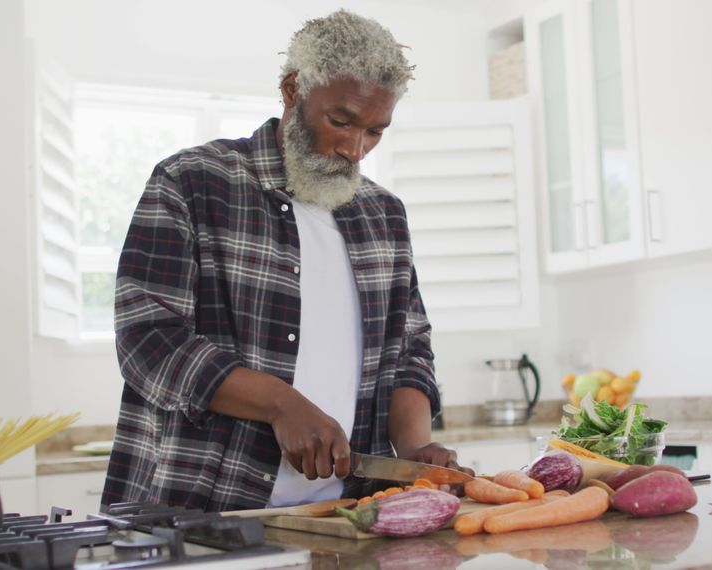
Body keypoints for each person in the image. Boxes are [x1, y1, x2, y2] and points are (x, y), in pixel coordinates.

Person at [101, 9, 469, 512]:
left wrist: (412, 450)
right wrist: (282, 404)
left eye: (375, 131)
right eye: (340, 121)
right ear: (293, 89)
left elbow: (408, 350)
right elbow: (148, 340)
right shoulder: (193, 182)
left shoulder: (384, 214)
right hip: (204, 511)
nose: (354, 148)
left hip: (344, 515)